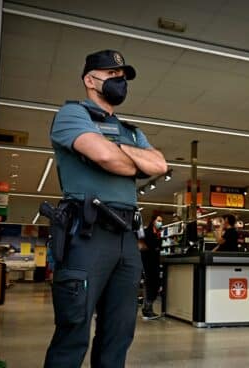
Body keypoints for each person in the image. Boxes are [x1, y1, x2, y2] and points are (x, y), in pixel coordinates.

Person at [44, 49, 168, 367]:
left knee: (118, 334)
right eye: (113, 75)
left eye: (123, 77)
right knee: (73, 332)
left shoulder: (131, 130)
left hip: (127, 240)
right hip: (87, 234)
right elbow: (104, 157)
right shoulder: (72, 115)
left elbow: (158, 164)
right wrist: (130, 159)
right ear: (90, 79)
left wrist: (118, 148)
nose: (120, 82)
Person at [140, 215, 163, 320]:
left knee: (155, 285)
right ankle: (147, 309)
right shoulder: (146, 232)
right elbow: (141, 245)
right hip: (147, 263)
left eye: (161, 221)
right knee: (149, 285)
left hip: (155, 263)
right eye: (158, 220)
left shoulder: (158, 234)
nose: (160, 222)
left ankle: (149, 308)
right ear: (153, 221)